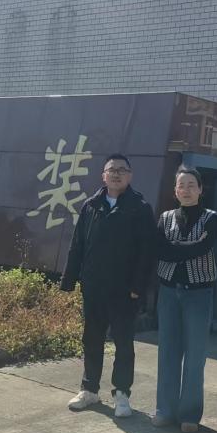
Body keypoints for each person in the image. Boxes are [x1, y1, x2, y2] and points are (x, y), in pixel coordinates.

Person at [60, 153, 155, 417]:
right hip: (94, 286)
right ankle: (89, 390)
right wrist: (69, 280)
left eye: (122, 170)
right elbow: (78, 244)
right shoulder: (91, 206)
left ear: (130, 176)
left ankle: (122, 394)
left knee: (123, 343)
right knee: (92, 338)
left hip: (125, 291)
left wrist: (138, 286)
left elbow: (147, 252)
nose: (116, 174)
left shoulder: (140, 208)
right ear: (103, 175)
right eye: (111, 169)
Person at [152, 166, 217, 433]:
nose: (187, 190)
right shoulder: (165, 217)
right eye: (182, 185)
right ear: (175, 191)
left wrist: (174, 249)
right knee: (167, 351)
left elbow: (204, 247)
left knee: (195, 354)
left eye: (192, 185)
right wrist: (186, 249)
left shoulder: (211, 218)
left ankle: (189, 414)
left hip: (199, 294)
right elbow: (159, 250)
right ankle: (165, 410)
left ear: (201, 189)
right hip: (168, 292)